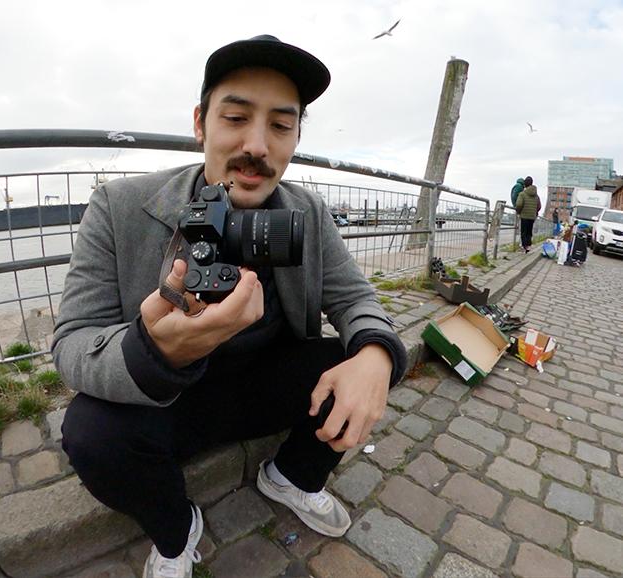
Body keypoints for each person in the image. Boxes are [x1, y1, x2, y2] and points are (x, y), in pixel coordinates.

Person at [52, 35, 407, 578]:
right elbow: (72, 342)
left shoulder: (307, 213)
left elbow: (356, 298)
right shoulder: (117, 206)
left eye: (281, 126)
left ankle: (291, 476)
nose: (257, 146)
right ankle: (176, 532)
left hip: (262, 381)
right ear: (201, 123)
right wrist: (151, 348)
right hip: (166, 398)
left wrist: (379, 356)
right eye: (236, 117)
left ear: (294, 138)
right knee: (90, 433)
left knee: (362, 360)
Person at [515, 175, 541, 252]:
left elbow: (519, 204)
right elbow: (539, 206)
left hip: (524, 215)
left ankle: (524, 246)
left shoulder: (522, 194)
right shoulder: (536, 196)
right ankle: (528, 246)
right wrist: (535, 212)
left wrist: (518, 211)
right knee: (529, 231)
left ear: (525, 184)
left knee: (523, 232)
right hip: (532, 216)